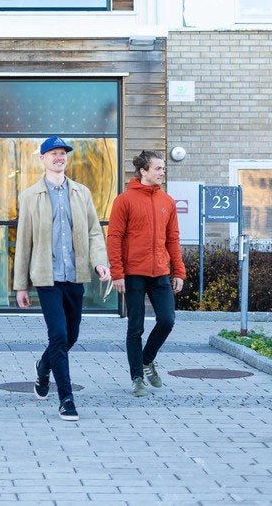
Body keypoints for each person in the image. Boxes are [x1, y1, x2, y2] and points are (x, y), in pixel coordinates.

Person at [13, 136, 110, 421]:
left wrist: (100, 263)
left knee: (71, 335)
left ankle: (43, 367)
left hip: (75, 275)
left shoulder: (82, 193)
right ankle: (66, 398)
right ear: (42, 159)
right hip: (46, 278)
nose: (59, 157)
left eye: (62, 153)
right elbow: (23, 243)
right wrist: (21, 285)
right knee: (57, 336)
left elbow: (94, 232)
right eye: (53, 153)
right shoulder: (30, 196)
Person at [107, 150, 186, 398]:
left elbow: (173, 238)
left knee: (167, 320)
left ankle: (147, 360)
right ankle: (137, 378)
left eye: (163, 168)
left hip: (160, 271)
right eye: (159, 168)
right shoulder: (124, 200)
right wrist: (117, 272)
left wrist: (179, 271)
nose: (163, 172)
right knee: (135, 327)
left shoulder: (167, 201)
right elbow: (115, 237)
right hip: (133, 273)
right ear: (143, 171)